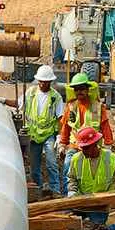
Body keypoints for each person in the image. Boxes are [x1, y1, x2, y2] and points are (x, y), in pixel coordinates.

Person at [20, 64, 65, 197]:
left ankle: (55, 190)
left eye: (46, 82)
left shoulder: (55, 97)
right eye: (41, 81)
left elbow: (60, 118)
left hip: (48, 135)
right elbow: (19, 104)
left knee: (51, 163)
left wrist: (59, 137)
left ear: (50, 82)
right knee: (35, 167)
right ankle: (38, 191)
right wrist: (3, 101)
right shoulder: (31, 93)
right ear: (37, 80)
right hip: (33, 136)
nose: (43, 84)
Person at [58, 72, 114, 155]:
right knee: (68, 166)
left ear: (87, 89)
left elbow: (105, 126)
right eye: (76, 89)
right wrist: (62, 144)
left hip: (93, 147)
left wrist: (108, 145)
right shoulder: (71, 107)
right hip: (75, 146)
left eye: (82, 88)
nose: (79, 91)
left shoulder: (98, 107)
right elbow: (66, 127)